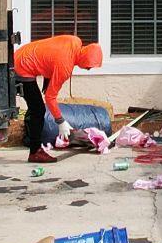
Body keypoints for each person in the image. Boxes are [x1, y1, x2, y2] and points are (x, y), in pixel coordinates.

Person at [12, 32, 104, 163]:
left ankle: (36, 149)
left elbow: (52, 52)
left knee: (36, 107)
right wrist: (61, 122)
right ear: (85, 60)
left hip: (22, 54)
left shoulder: (75, 41)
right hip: (22, 67)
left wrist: (48, 78)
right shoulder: (65, 67)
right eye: (89, 66)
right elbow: (50, 97)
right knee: (38, 110)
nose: (88, 69)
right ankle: (35, 152)